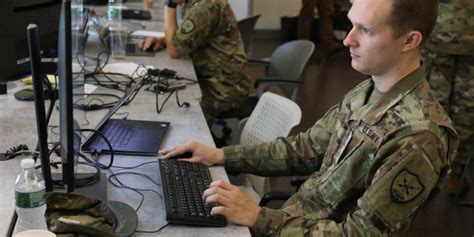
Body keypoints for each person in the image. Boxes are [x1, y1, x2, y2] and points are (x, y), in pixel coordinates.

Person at [160, 0, 459, 235]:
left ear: (410, 40)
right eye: (351, 25)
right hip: (290, 221)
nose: (347, 41)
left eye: (366, 31)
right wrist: (221, 155)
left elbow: (359, 233)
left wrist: (258, 217)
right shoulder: (368, 89)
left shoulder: (419, 136)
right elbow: (305, 149)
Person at [140, 0, 251, 126]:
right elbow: (189, 36)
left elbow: (175, 51)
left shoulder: (204, 8)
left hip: (224, 88)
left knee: (173, 106)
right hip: (215, 77)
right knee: (163, 94)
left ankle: (199, 143)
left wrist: (170, 4)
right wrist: (162, 40)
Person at [423, 0, 474, 195]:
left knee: (435, 103)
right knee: (468, 105)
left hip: (440, 32)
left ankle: (428, 167)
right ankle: (457, 171)